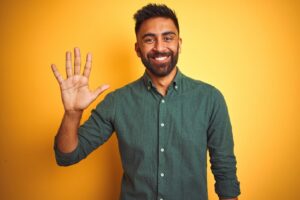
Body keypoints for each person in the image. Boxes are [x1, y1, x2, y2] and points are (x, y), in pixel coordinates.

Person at [51, 3, 240, 200]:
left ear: (179, 44)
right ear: (138, 49)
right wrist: (72, 114)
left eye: (168, 38)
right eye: (149, 40)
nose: (159, 47)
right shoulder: (117, 102)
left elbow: (225, 172)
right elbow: (67, 156)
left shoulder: (210, 99)